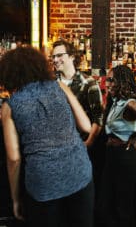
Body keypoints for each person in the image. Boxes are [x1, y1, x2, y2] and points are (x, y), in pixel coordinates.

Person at [0, 46, 94, 227]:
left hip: (43, 183)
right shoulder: (58, 86)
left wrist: (16, 200)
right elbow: (86, 126)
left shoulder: (9, 106)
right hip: (80, 173)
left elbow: (13, 158)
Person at [97, 65, 136, 227]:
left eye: (112, 80)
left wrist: (134, 136)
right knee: (106, 204)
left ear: (123, 82)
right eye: (107, 81)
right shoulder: (116, 102)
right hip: (112, 156)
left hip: (125, 157)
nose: (108, 84)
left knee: (123, 207)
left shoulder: (131, 104)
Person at [52, 39, 104, 193]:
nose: (55, 60)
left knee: (79, 195)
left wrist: (87, 144)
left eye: (59, 55)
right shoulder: (50, 84)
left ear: (72, 57)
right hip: (55, 151)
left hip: (78, 151)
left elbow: (98, 119)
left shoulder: (88, 84)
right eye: (53, 56)